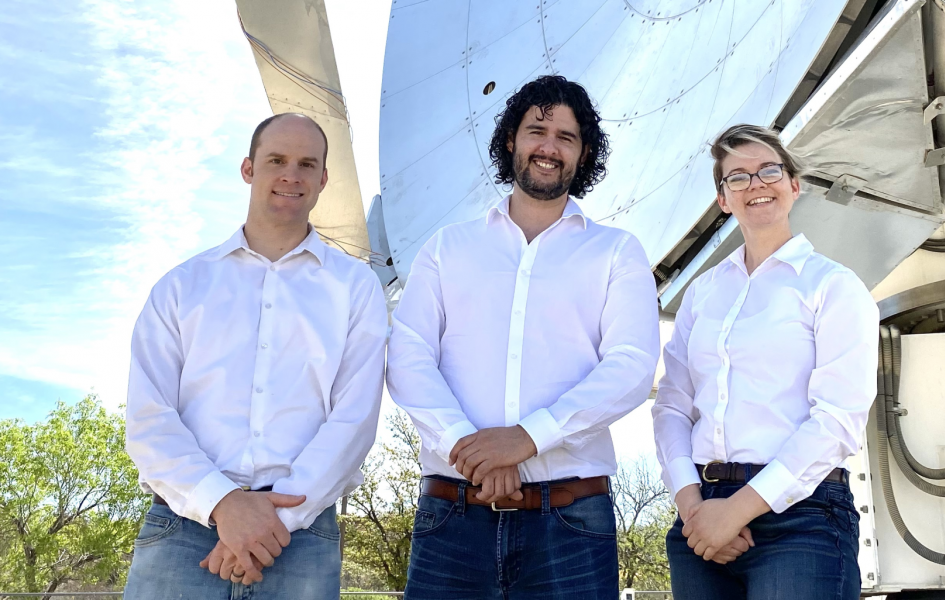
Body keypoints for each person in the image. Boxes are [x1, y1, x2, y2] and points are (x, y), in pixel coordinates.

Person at [386, 75, 660, 600]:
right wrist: (466, 450)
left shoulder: (617, 253)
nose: (549, 147)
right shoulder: (447, 248)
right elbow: (408, 356)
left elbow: (630, 366)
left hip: (571, 519)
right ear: (511, 138)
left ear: (583, 154)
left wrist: (528, 438)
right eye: (537, 130)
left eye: (566, 136)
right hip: (452, 516)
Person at [122, 113, 387, 599]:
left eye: (307, 164)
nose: (292, 175)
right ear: (248, 168)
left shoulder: (355, 289)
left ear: (324, 179)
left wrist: (270, 521)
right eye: (277, 160)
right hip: (183, 526)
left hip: (299, 533)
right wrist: (222, 503)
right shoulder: (182, 286)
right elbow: (148, 417)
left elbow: (354, 420)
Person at [652, 124, 879, 599]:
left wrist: (736, 512)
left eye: (769, 171)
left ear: (794, 186)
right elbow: (672, 406)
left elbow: (837, 420)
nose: (756, 184)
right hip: (700, 516)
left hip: (801, 519)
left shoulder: (833, 287)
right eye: (738, 177)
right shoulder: (702, 294)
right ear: (723, 199)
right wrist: (695, 508)